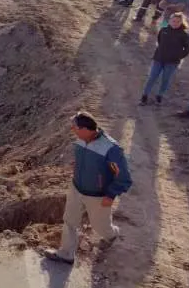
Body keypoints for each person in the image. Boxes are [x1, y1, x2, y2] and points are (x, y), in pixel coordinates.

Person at [42, 111, 132, 264]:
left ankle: (112, 235)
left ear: (85, 129)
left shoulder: (111, 149)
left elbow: (124, 178)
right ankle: (66, 254)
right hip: (76, 188)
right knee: (70, 221)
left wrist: (110, 195)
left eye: (74, 127)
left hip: (97, 195)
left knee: (100, 227)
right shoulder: (81, 140)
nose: (72, 130)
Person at [140, 11, 189, 105]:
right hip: (158, 58)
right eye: (173, 21)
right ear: (169, 21)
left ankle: (159, 96)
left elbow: (187, 48)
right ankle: (144, 95)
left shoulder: (184, 35)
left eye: (177, 22)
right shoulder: (163, 30)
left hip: (172, 62)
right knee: (152, 78)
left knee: (165, 80)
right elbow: (159, 41)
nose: (175, 23)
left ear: (181, 22)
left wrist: (179, 56)